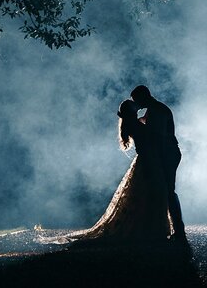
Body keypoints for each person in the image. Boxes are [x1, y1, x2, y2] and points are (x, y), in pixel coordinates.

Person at [57, 99, 171, 243]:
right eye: (134, 107)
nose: (137, 106)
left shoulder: (131, 124)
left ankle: (146, 229)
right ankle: (149, 229)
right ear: (132, 111)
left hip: (144, 161)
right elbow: (150, 134)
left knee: (142, 196)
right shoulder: (135, 125)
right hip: (147, 161)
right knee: (148, 194)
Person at [131, 85, 185, 241]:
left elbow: (157, 135)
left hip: (166, 153)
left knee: (169, 190)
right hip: (165, 152)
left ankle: (179, 230)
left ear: (144, 96)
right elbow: (146, 124)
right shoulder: (154, 108)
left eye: (137, 100)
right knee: (166, 190)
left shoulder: (157, 110)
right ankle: (175, 229)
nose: (137, 104)